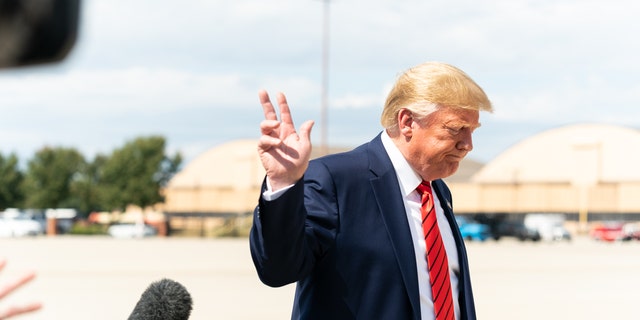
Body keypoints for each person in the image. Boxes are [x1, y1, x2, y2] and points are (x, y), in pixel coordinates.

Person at [250, 61, 493, 320]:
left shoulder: (437, 193)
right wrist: (284, 185)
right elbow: (277, 270)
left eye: (472, 131)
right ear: (407, 121)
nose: (468, 145)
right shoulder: (335, 181)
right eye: (456, 129)